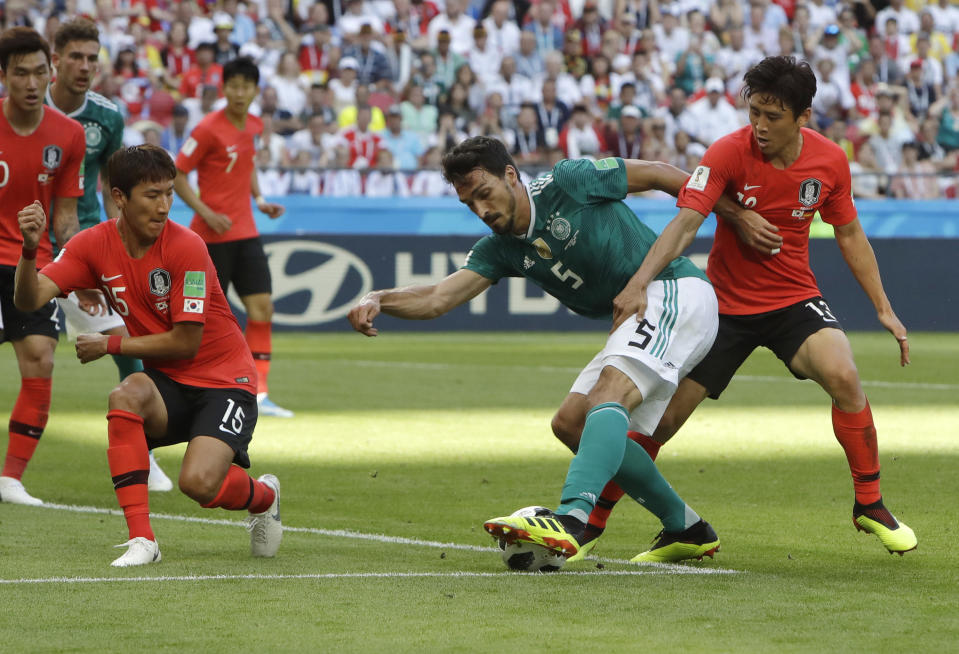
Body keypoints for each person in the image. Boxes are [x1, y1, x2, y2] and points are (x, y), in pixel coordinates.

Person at [348, 136, 759, 564]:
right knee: (570, 423)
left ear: (511, 175)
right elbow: (436, 297)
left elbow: (658, 173)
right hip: (638, 312)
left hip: (674, 289)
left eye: (484, 194)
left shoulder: (569, 181)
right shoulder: (502, 248)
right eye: (470, 205)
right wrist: (380, 297)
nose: (482, 211)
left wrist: (735, 215)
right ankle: (687, 528)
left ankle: (571, 518)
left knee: (608, 393)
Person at [595, 55, 917, 556]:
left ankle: (869, 504)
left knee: (845, 376)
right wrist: (640, 282)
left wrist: (884, 308)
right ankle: (593, 525)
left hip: (794, 299)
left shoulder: (830, 161)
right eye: (755, 113)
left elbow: (849, 233)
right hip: (722, 309)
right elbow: (684, 222)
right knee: (660, 422)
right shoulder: (725, 153)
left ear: (803, 117)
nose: (761, 127)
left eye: (774, 117)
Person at [14, 144, 283, 567]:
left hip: (226, 380)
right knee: (126, 394)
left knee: (198, 483)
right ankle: (143, 541)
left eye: (169, 193)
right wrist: (30, 252)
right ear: (119, 197)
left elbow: (185, 342)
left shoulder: (188, 247)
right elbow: (30, 300)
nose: (163, 206)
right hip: (169, 383)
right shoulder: (92, 245)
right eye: (151, 195)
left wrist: (111, 344)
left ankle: (264, 497)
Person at [46, 18, 173, 492]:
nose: (84, 67)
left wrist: (116, 251)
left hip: (80, 248)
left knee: (127, 340)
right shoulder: (23, 110)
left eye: (92, 58)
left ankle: (146, 451)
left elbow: (119, 185)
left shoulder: (107, 117)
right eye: (75, 57)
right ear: (54, 60)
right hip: (21, 246)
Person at [173, 57, 294, 418]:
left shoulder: (254, 125)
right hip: (208, 239)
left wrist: (259, 199)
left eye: (247, 86)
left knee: (263, 309)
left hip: (245, 231)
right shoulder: (207, 128)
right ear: (224, 88)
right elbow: (178, 173)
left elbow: (248, 162)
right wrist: (207, 212)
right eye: (234, 85)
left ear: (256, 90)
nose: (240, 92)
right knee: (205, 320)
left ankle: (259, 394)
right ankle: (197, 388)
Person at [0, 27, 86, 506]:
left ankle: (10, 478)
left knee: (41, 358)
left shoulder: (69, 135)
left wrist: (80, 272)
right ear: (4, 77)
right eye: (21, 74)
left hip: (32, 265)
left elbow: (66, 218)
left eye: (39, 72)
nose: (32, 83)